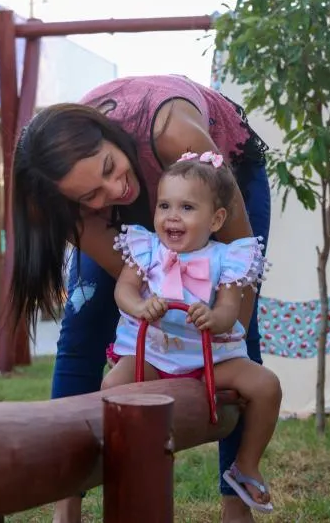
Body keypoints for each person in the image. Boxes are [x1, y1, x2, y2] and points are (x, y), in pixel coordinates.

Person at [11, 74, 282, 523]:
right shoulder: (71, 198)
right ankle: (68, 505)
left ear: (109, 136)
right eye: (91, 196)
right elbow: (135, 283)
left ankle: (237, 504)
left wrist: (218, 337)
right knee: (82, 326)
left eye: (107, 169)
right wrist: (157, 339)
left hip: (214, 176)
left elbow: (239, 277)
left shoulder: (174, 133)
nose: (114, 193)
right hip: (136, 227)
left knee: (236, 322)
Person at [104, 151, 274, 512]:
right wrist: (139, 307)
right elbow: (124, 291)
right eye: (164, 205)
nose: (172, 217)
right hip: (152, 352)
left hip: (208, 357)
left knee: (266, 385)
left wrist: (214, 318)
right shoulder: (146, 250)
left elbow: (231, 309)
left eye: (186, 208)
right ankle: (128, 464)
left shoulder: (226, 258)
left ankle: (245, 465)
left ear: (216, 219)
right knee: (112, 387)